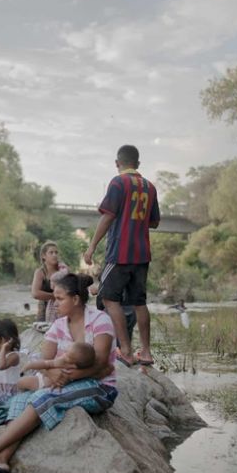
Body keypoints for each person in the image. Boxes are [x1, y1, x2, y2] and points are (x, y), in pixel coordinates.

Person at [0, 273, 117, 473]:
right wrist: (55, 372)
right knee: (20, 400)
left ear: (75, 299)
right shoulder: (58, 325)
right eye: (54, 298)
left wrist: (66, 377)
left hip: (99, 387)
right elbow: (43, 362)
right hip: (62, 384)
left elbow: (102, 364)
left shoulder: (100, 320)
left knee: (43, 397)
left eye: (59, 299)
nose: (54, 303)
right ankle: (1, 461)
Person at [84, 144, 160, 367]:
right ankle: (145, 352)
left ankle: (125, 350)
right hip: (142, 253)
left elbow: (107, 216)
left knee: (108, 297)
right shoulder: (150, 186)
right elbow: (154, 222)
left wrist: (91, 246)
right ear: (137, 164)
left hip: (120, 252)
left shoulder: (118, 182)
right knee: (139, 302)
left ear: (118, 163)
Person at [17, 341, 95, 391]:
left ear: (73, 365)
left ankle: (20, 393)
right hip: (51, 384)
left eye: (67, 355)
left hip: (43, 383)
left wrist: (29, 365)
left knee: (21, 382)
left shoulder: (63, 362)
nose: (64, 355)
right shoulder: (76, 369)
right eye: (66, 352)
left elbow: (46, 364)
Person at [31, 241, 68, 322]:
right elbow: (35, 293)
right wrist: (54, 296)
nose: (54, 255)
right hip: (44, 308)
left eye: (56, 252)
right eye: (51, 252)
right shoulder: (40, 272)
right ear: (44, 256)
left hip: (62, 308)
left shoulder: (63, 270)